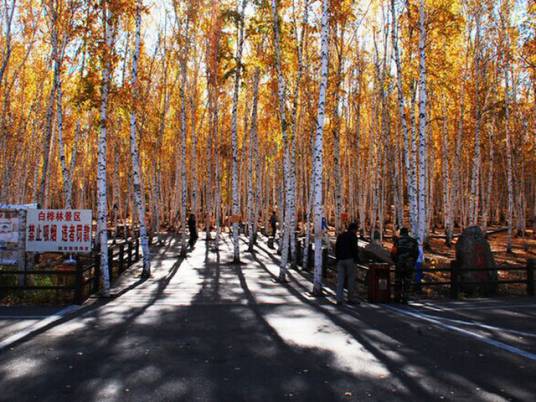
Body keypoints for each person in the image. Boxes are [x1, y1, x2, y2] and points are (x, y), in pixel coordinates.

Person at [335, 222, 360, 305]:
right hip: (350, 259)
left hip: (340, 260)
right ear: (354, 229)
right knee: (351, 279)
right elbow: (354, 249)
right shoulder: (353, 236)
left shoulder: (341, 236)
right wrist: (356, 259)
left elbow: (336, 247)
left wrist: (337, 258)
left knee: (340, 280)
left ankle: (339, 299)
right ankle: (350, 298)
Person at [391, 227, 418, 304]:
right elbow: (416, 253)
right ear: (407, 233)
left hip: (400, 264)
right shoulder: (413, 241)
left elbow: (393, 252)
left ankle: (397, 297)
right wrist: (413, 262)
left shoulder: (398, 241)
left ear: (401, 233)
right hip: (409, 264)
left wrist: (395, 261)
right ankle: (405, 298)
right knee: (407, 281)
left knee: (398, 281)